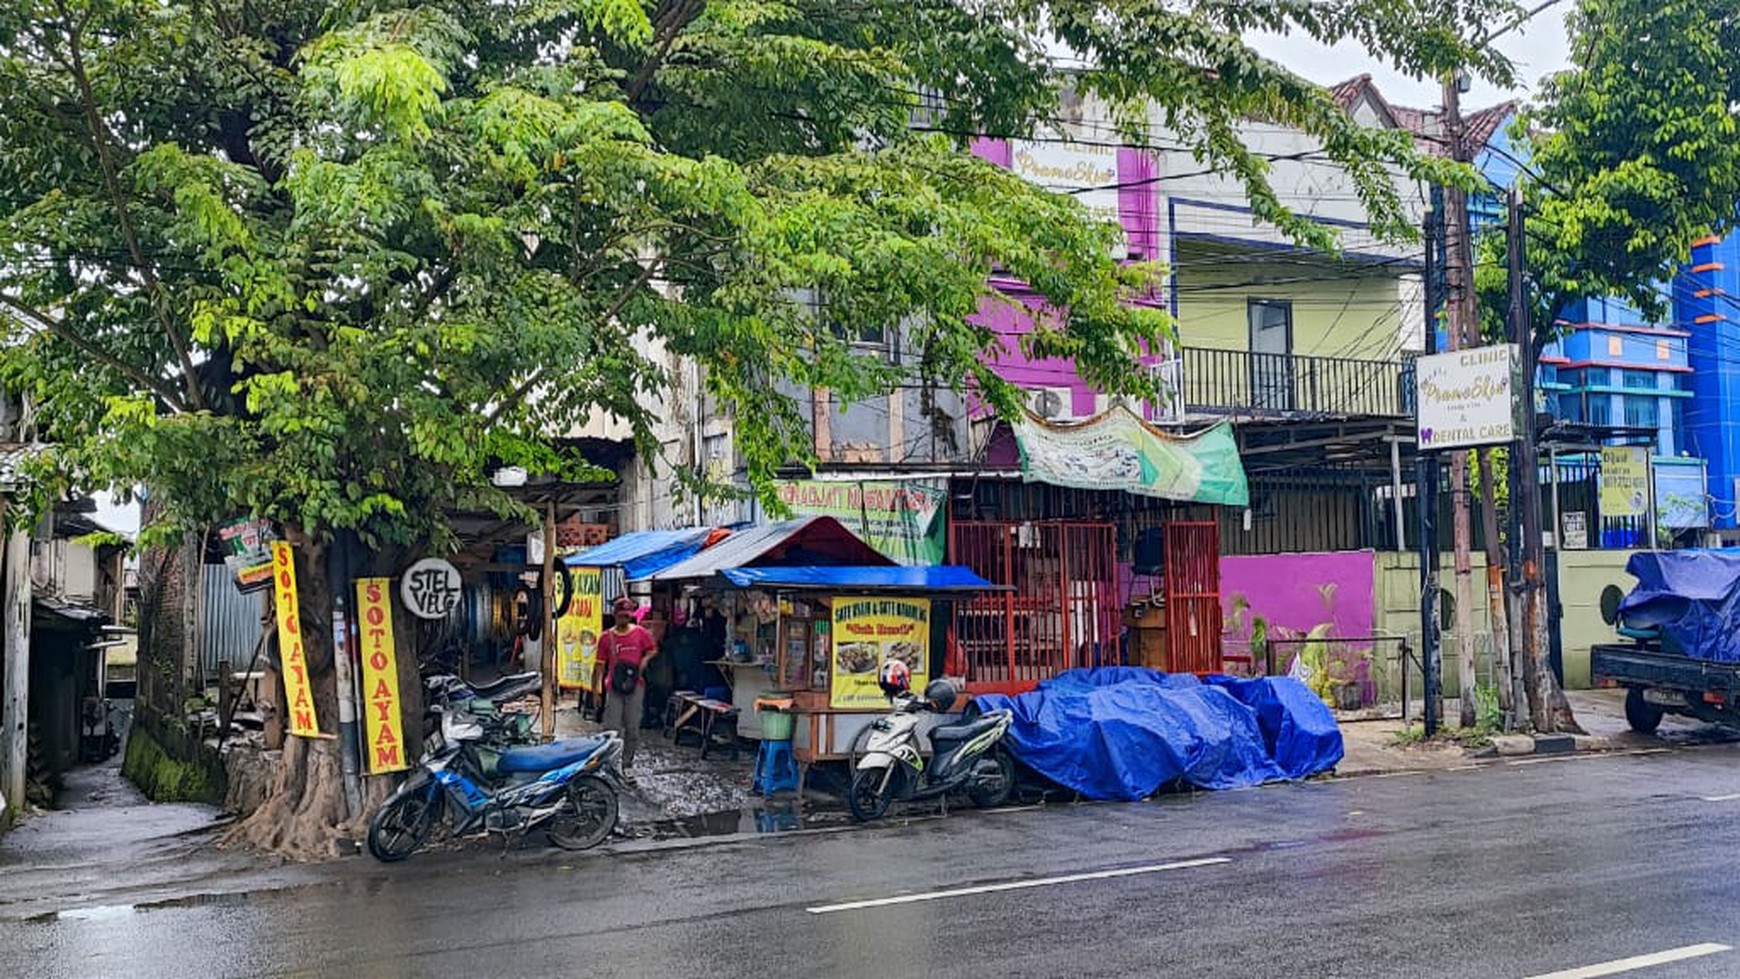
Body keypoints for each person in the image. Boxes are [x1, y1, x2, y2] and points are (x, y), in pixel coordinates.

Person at [595, 596, 658, 780]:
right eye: (621, 616)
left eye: (627, 616)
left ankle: (627, 763)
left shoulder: (640, 633)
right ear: (614, 615)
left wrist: (645, 660)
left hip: (635, 686)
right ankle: (607, 764)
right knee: (612, 728)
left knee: (633, 728)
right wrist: (597, 690)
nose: (624, 619)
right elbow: (599, 666)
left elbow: (652, 649)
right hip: (613, 687)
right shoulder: (606, 638)